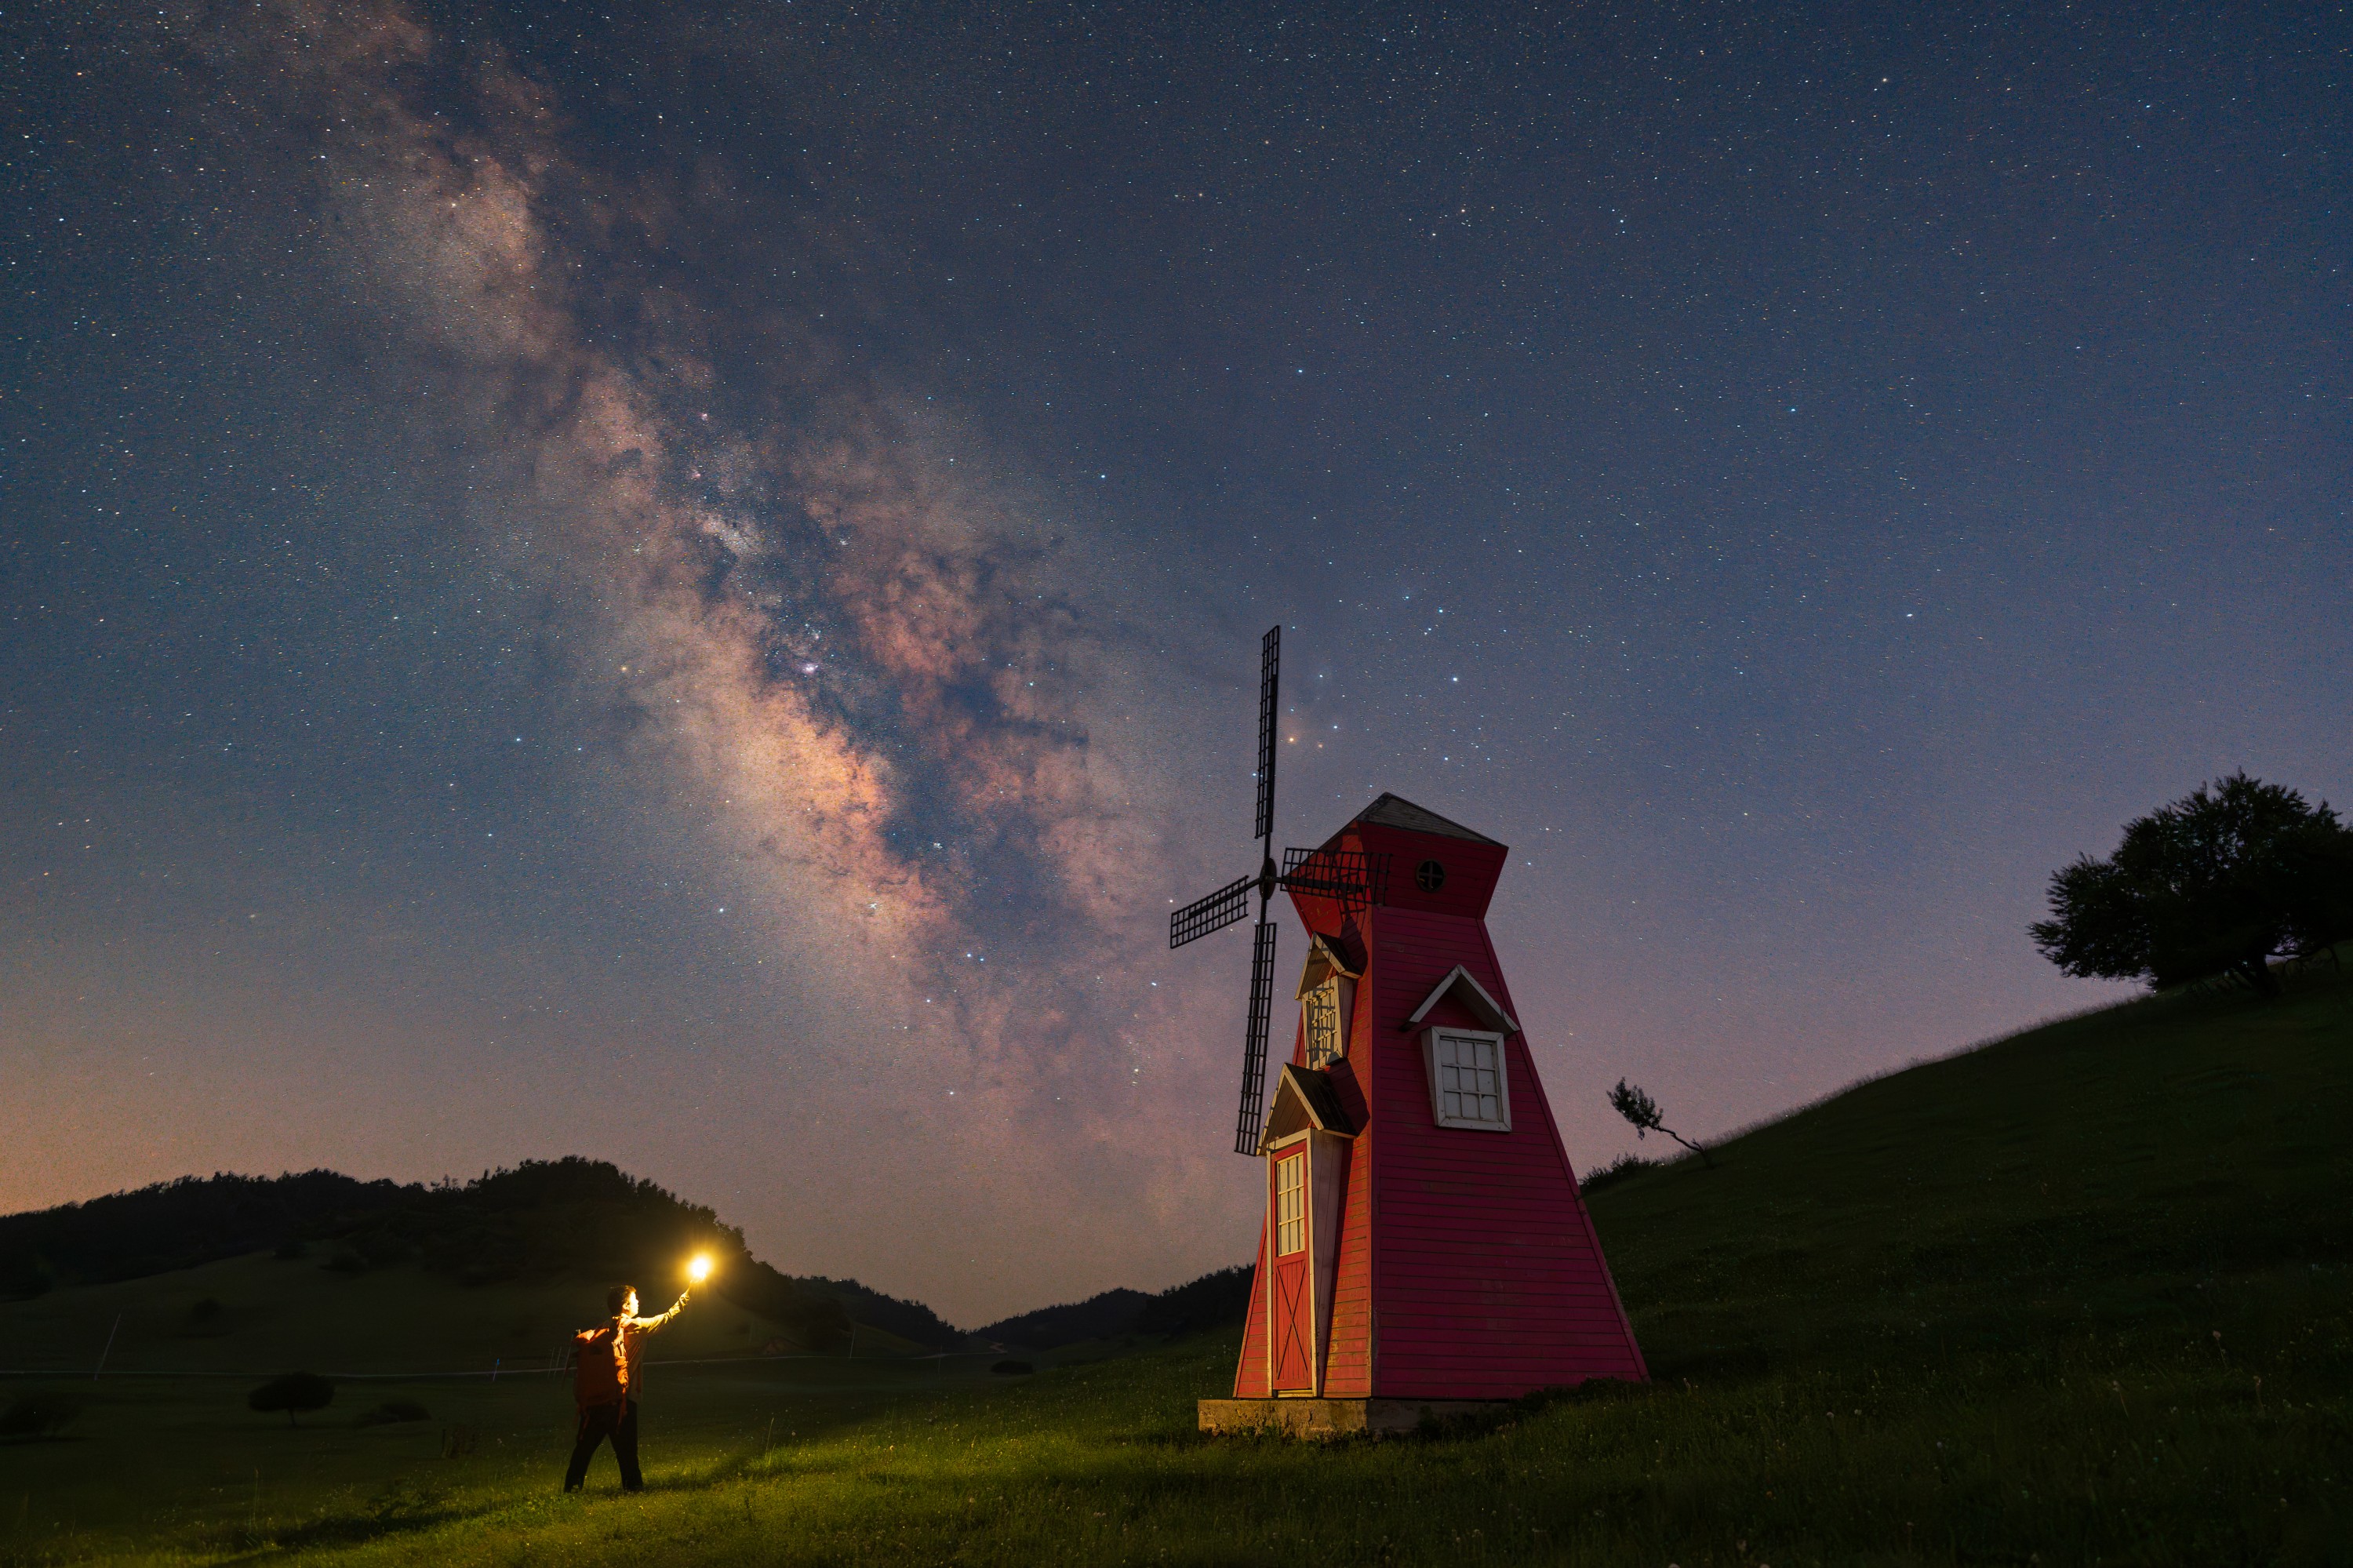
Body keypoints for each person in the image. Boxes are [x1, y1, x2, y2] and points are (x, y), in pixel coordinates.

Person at [563, 1281, 689, 1492]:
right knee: (627, 1452)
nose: (638, 1302)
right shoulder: (635, 1326)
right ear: (625, 1306)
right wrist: (691, 1290)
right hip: (622, 1403)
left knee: (584, 1449)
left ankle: (571, 1489)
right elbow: (670, 1317)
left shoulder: (602, 1328)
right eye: (634, 1299)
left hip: (595, 1401)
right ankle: (634, 1489)